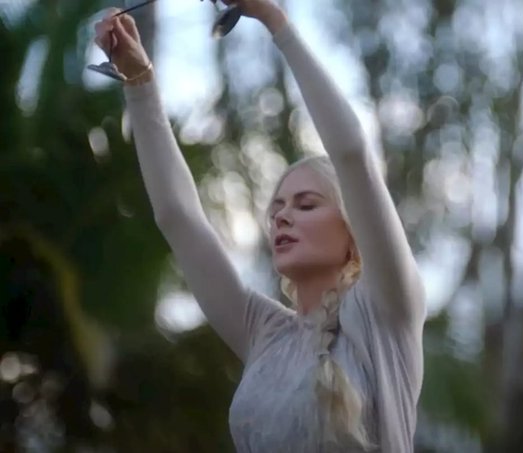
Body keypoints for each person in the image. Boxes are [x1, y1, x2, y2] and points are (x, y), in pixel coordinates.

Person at [94, 0, 426, 451]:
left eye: (306, 205)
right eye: (277, 209)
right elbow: (178, 217)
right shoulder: (266, 333)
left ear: (354, 234)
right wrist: (139, 81)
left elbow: (351, 154)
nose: (283, 216)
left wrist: (274, 19)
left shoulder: (385, 311)